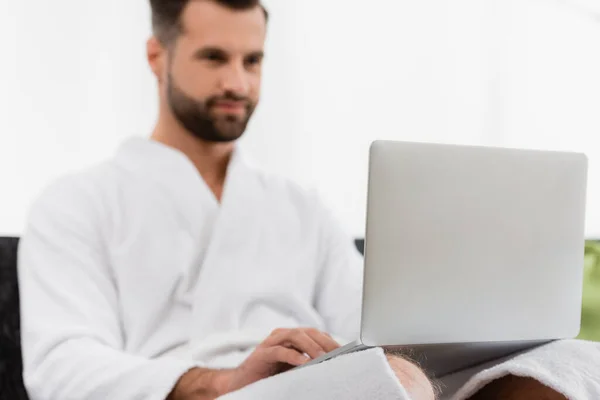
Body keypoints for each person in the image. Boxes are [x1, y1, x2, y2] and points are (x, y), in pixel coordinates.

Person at [17, 1, 593, 399]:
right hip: (195, 392)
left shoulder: (298, 206)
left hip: (312, 387)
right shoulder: (76, 204)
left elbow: (368, 326)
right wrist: (218, 382)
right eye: (214, 58)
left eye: (253, 60)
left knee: (577, 361)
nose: (238, 83)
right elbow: (59, 365)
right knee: (394, 384)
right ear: (156, 57)